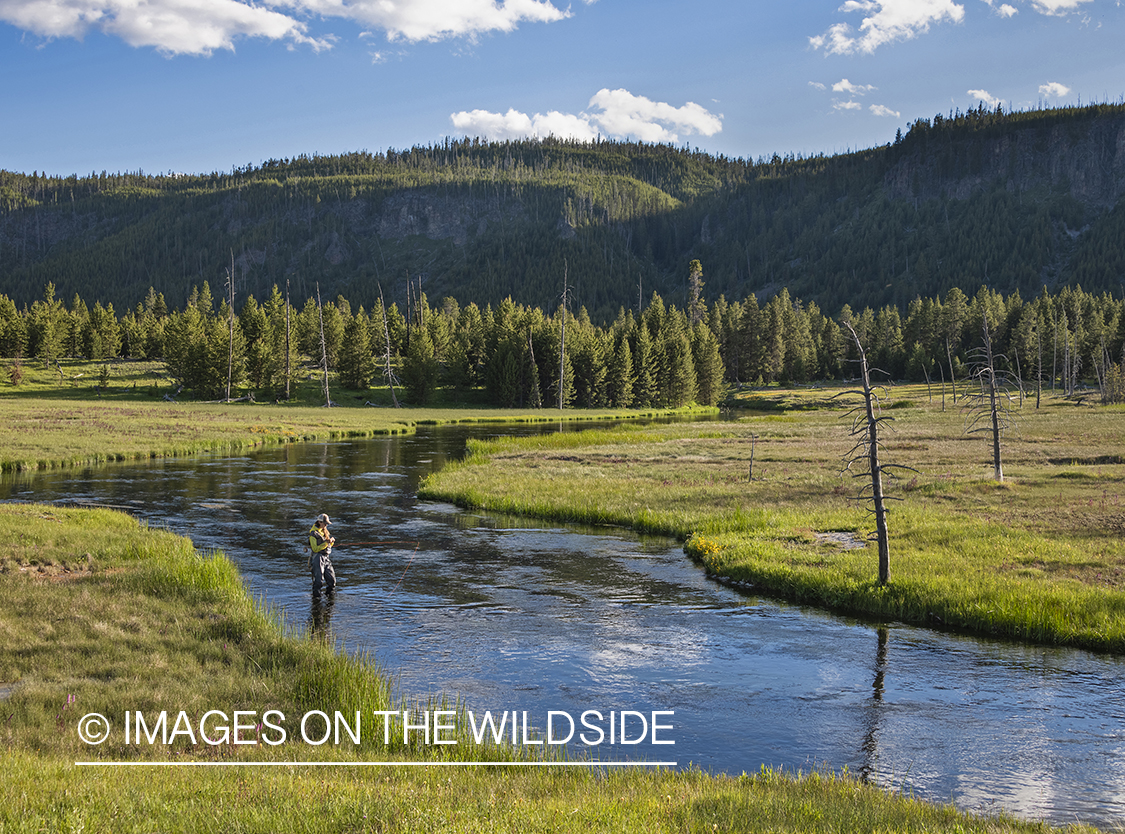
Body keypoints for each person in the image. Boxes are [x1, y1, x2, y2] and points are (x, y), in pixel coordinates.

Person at [308, 513, 336, 593]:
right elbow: (315, 549)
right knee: (318, 581)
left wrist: (331, 542)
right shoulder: (313, 534)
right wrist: (326, 543)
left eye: (327, 523)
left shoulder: (324, 531)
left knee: (332, 580)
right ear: (319, 522)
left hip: (326, 557)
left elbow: (327, 546)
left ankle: (330, 600)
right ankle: (316, 600)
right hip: (317, 558)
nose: (326, 525)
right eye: (325, 523)